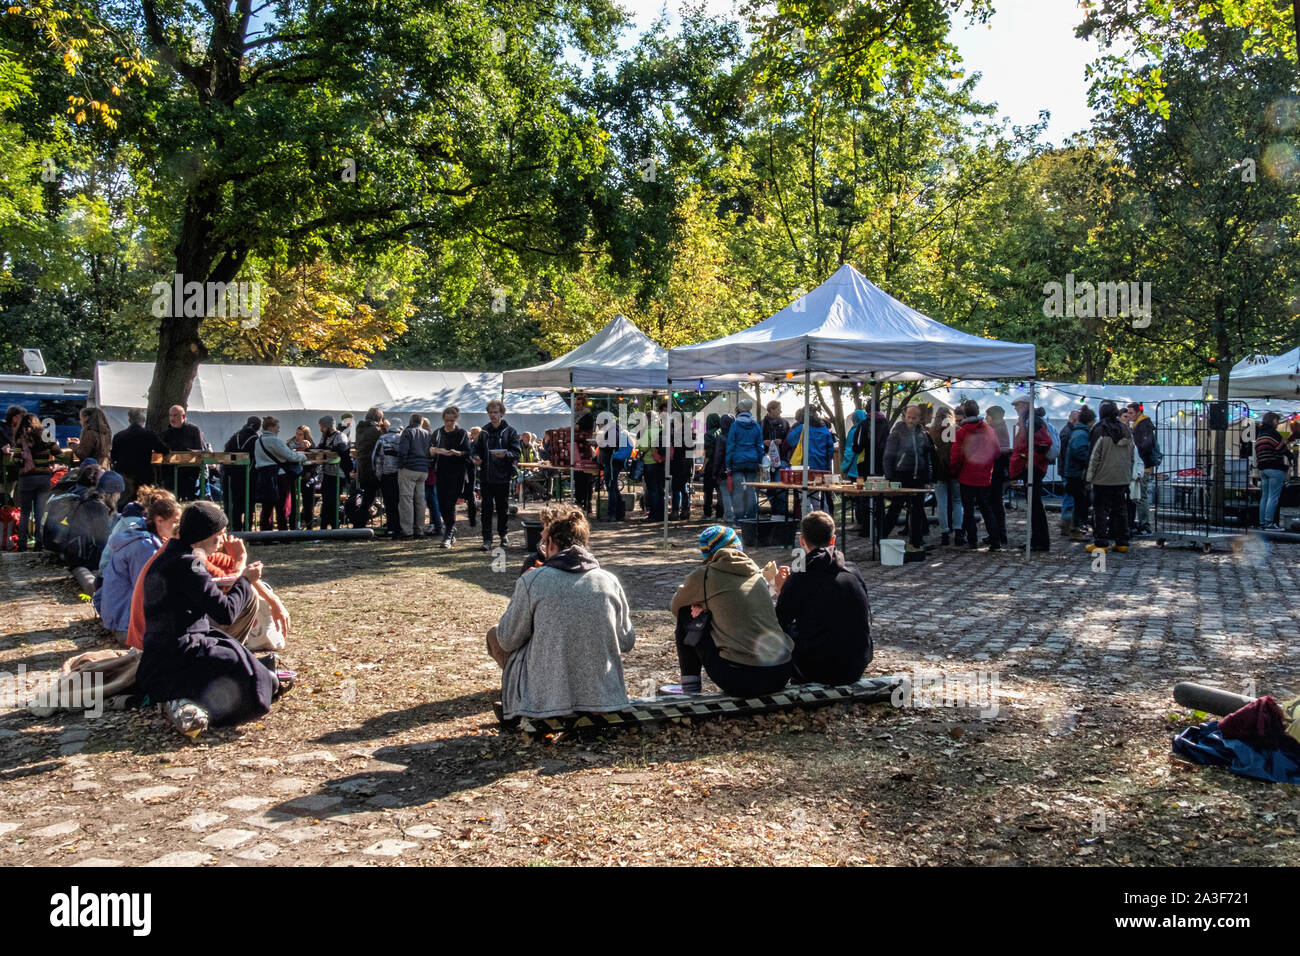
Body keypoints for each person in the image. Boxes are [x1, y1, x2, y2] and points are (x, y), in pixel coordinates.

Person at [136, 501, 293, 738]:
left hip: (164, 650)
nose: (221, 541)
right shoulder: (190, 564)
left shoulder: (172, 555)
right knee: (245, 673)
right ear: (203, 536)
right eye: (218, 535)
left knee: (236, 654)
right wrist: (245, 581)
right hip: (180, 652)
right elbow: (226, 613)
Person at [486, 505, 634, 720]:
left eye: (544, 540)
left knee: (495, 633)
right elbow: (627, 641)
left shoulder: (533, 580)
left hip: (549, 698)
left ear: (551, 543)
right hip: (604, 696)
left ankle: (531, 701)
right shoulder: (609, 580)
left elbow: (507, 639)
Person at [666, 525, 793, 697]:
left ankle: (690, 688)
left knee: (686, 613)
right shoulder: (757, 573)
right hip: (782, 672)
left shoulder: (705, 574)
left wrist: (703, 606)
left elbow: (675, 606)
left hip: (740, 678)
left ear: (708, 555)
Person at [773, 511, 872, 685]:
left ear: (802, 540)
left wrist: (782, 590)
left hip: (818, 670)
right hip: (857, 665)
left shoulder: (801, 576)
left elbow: (779, 621)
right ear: (833, 540)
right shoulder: (852, 570)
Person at [94, 486, 181, 644]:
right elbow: (147, 590)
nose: (177, 528)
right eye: (175, 522)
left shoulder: (145, 536)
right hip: (127, 626)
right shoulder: (144, 546)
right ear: (159, 520)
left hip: (121, 619)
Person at [950, 400, 1001, 551]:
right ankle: (995, 539)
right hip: (984, 475)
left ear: (965, 413)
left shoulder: (961, 432)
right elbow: (997, 452)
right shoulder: (989, 430)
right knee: (986, 508)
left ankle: (972, 540)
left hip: (966, 475)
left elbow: (956, 456)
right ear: (978, 411)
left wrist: (953, 470)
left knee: (968, 509)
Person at [882, 404, 934, 551]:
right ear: (905, 417)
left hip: (918, 478)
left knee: (917, 510)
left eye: (914, 418)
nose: (911, 420)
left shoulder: (922, 434)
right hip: (900, 476)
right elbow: (888, 456)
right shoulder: (897, 432)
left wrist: (927, 480)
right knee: (895, 508)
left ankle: (916, 541)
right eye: (909, 417)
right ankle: (881, 536)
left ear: (919, 419)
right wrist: (890, 478)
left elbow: (927, 457)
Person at [1086, 400, 1134, 554]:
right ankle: (1122, 541)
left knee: (1100, 510)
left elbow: (1094, 456)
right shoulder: (1125, 429)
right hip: (1122, 476)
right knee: (1120, 510)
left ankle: (1101, 542)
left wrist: (1088, 477)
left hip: (1103, 477)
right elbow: (1132, 455)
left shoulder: (1099, 429)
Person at [473, 399, 521, 550]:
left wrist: (505, 455)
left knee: (502, 508)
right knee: (486, 509)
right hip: (487, 476)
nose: (493, 415)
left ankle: (503, 534)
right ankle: (487, 539)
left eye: (495, 412)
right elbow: (475, 450)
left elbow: (517, 452)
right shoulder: (484, 432)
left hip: (503, 476)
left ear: (501, 413)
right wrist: (476, 458)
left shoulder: (510, 431)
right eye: (490, 412)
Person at [13, 413, 60, 552]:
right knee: (40, 512)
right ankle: (39, 543)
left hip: (26, 479)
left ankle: (22, 544)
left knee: (25, 513)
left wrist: (23, 461)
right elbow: (58, 453)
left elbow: (15, 460)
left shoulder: (20, 439)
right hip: (43, 478)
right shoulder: (46, 436)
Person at [1010, 404, 1052, 552]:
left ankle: (1040, 541)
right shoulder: (1029, 420)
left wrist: (1029, 460)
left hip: (1034, 469)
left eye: (1017, 406)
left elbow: (1044, 443)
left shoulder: (1033, 421)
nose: (1015, 409)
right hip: (1031, 468)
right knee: (1034, 507)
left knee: (1036, 507)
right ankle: (1035, 540)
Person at [253, 416, 307, 532]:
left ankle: (265, 533)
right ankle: (282, 533)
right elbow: (290, 455)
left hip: (263, 475)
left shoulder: (258, 441)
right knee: (281, 506)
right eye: (277, 427)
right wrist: (303, 456)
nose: (278, 430)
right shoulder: (275, 441)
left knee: (266, 507)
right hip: (279, 476)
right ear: (271, 427)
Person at [431, 406, 472, 547]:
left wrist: (458, 453)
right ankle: (451, 529)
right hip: (441, 471)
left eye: (451, 420)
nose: (449, 423)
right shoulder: (437, 433)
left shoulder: (461, 433)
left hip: (457, 472)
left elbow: (468, 452)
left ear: (456, 419)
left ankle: (447, 534)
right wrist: (435, 451)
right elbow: (430, 450)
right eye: (447, 420)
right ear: (443, 419)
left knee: (450, 503)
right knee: (441, 503)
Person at [110, 408, 169, 504]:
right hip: (143, 474)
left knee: (125, 500)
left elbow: (113, 456)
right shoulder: (149, 435)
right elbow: (165, 450)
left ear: (129, 420)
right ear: (143, 420)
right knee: (143, 502)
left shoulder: (118, 436)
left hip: (125, 474)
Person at [928, 406, 965, 546]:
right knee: (957, 501)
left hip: (939, 470)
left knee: (941, 502)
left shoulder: (932, 431)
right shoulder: (958, 430)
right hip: (956, 469)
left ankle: (944, 532)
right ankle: (958, 531)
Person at [724, 398, 765, 520]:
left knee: (738, 490)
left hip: (737, 460)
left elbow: (730, 446)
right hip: (752, 460)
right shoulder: (756, 425)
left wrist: (728, 464)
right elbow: (760, 445)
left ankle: (739, 517)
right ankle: (752, 516)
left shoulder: (735, 425)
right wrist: (760, 461)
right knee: (751, 489)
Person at [395, 413, 432, 539]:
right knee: (420, 501)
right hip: (423, 470)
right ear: (421, 422)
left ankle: (407, 531)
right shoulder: (427, 434)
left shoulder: (407, 432)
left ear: (410, 421)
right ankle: (419, 529)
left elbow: (403, 451)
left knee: (406, 500)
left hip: (409, 468)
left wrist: (401, 465)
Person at [1256, 410, 1295, 530]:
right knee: (1273, 496)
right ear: (1273, 421)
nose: (1278, 423)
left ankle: (1262, 522)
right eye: (1277, 420)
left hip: (1263, 469)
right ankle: (1269, 523)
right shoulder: (1273, 433)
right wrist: (1291, 456)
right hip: (1274, 468)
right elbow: (1281, 448)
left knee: (1265, 496)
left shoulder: (1260, 434)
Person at [1062, 406, 1096, 541]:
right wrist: (1091, 459)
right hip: (1076, 473)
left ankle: (1073, 527)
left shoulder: (1079, 432)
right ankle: (1074, 529)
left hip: (1075, 472)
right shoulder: (1081, 434)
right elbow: (1079, 452)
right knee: (1079, 503)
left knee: (1079, 502)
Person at [222, 417, 261, 532]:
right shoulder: (255, 439)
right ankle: (247, 529)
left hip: (234, 476)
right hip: (249, 475)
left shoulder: (235, 437)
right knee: (249, 504)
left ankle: (236, 529)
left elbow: (226, 454)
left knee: (235, 504)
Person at [1128, 402, 1161, 535]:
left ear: (1138, 412)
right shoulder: (1140, 425)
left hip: (1143, 466)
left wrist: (1136, 455)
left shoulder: (1143, 426)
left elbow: (1145, 446)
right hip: (1141, 465)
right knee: (1138, 496)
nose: (1129, 416)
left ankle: (1145, 525)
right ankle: (1141, 523)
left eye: (1131, 413)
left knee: (1141, 496)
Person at [161, 404, 205, 499]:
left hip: (189, 474)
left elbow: (200, 451)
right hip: (171, 475)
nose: (172, 418)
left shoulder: (193, 430)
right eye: (170, 415)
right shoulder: (167, 433)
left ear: (183, 416)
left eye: (175, 415)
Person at [351, 408, 385, 528]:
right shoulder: (375, 431)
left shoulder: (360, 429)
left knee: (368, 498)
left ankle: (358, 523)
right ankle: (359, 524)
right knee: (369, 499)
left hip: (362, 468)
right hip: (373, 468)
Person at [986, 404, 1012, 548]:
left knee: (995, 502)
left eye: (987, 416)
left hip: (997, 469)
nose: (986, 419)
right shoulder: (1001, 427)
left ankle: (999, 533)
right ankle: (997, 532)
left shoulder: (997, 429)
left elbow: (997, 450)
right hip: (998, 469)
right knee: (995, 502)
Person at [373, 419, 404, 535]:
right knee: (400, 502)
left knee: (389, 502)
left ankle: (391, 526)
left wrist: (378, 474)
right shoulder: (403, 439)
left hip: (386, 475)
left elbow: (376, 458)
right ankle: (400, 526)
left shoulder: (382, 438)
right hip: (401, 475)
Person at [638, 408, 666, 522]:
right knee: (660, 489)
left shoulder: (649, 431)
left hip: (650, 462)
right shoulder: (663, 430)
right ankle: (662, 514)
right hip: (661, 462)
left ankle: (654, 515)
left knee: (652, 490)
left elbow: (643, 447)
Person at [289, 425, 318, 529]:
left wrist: (309, 471)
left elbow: (315, 461)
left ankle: (309, 526)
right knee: (293, 502)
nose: (298, 436)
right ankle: (292, 526)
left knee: (308, 502)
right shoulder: (290, 444)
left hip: (308, 477)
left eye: (300, 434)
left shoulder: (311, 446)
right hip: (294, 476)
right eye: (297, 433)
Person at [420, 417, 444, 538]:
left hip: (426, 472)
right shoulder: (432, 437)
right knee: (433, 500)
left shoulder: (423, 438)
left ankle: (434, 524)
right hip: (433, 473)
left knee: (426, 500)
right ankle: (436, 524)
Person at [1058, 409, 1081, 533]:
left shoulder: (1068, 431)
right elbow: (1065, 453)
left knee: (1069, 496)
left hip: (1066, 469)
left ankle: (1067, 523)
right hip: (1068, 470)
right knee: (1069, 497)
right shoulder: (1068, 433)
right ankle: (1066, 523)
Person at [711, 413, 735, 523]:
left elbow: (718, 455)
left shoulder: (721, 438)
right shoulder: (736, 435)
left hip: (724, 470)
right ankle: (736, 516)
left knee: (725, 494)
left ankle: (729, 516)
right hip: (736, 468)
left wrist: (714, 472)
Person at [464, 425, 482, 528]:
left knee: (475, 490)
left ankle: (476, 508)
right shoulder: (471, 444)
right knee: (473, 489)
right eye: (472, 433)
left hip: (477, 469)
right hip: (472, 469)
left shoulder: (479, 444)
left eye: (474, 433)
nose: (472, 435)